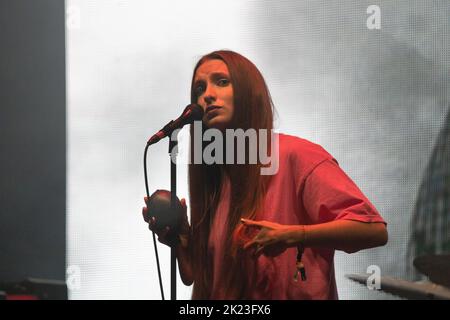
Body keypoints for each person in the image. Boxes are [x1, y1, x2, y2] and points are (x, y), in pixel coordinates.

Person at [142, 50, 388, 299]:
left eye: (222, 81)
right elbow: (197, 276)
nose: (207, 95)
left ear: (249, 92)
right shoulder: (216, 179)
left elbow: (373, 230)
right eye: (199, 89)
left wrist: (294, 235)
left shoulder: (297, 155)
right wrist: (183, 239)